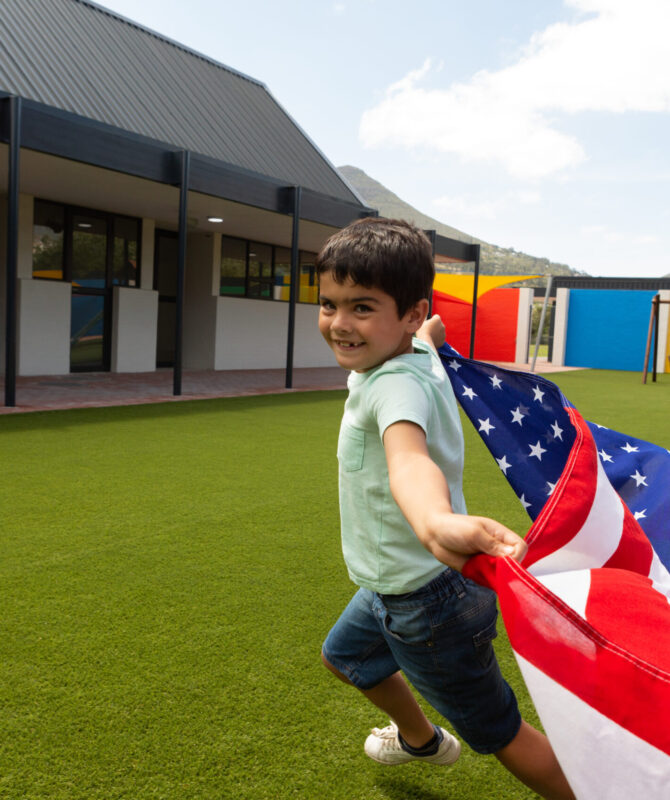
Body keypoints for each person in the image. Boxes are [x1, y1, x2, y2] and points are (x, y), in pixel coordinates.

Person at [316, 217, 575, 800]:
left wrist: (434, 520)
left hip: (427, 605)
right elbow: (431, 335)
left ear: (407, 314)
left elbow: (408, 460)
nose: (339, 323)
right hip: (397, 587)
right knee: (345, 656)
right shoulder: (416, 353)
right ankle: (422, 740)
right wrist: (428, 328)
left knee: (501, 733)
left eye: (362, 307)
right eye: (329, 304)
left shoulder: (393, 388)